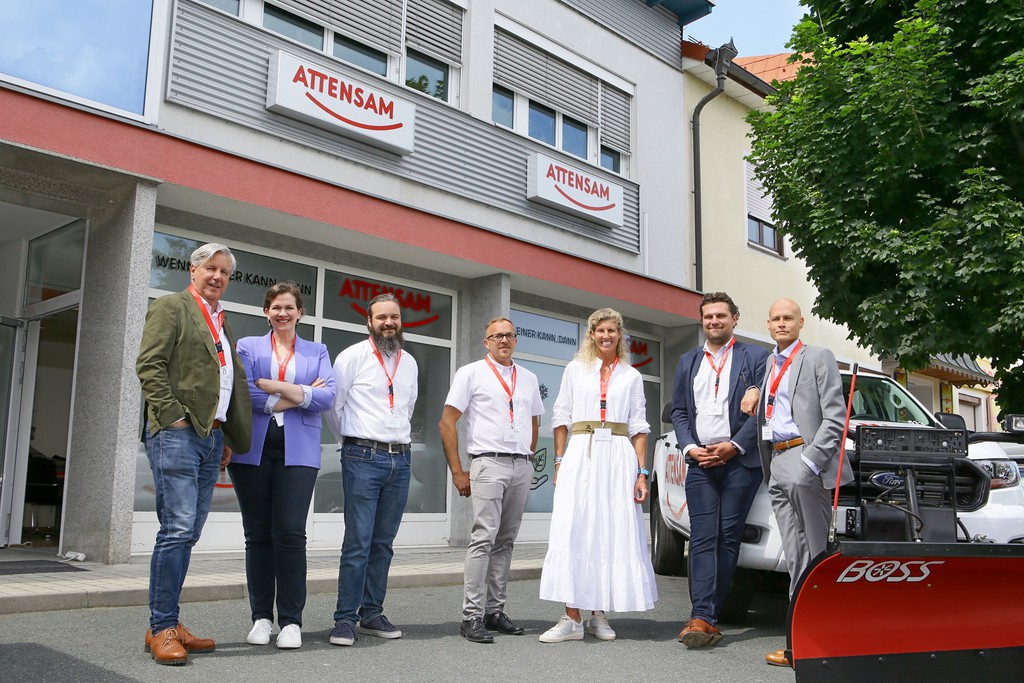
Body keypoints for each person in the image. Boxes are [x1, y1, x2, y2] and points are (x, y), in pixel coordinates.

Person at [136, 242, 252, 666]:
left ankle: (167, 622)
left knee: (189, 532)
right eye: (211, 268)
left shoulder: (221, 320)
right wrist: (173, 419)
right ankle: (162, 626)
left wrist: (220, 435)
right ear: (194, 269)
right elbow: (149, 364)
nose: (218, 276)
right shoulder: (172, 307)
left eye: (225, 272)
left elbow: (222, 381)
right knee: (177, 528)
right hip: (178, 434)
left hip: (209, 438)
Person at [740, 298, 850, 667]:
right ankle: (798, 645)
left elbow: (835, 417)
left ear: (801, 322)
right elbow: (774, 405)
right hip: (777, 460)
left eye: (789, 318)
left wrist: (810, 461)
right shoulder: (770, 363)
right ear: (768, 325)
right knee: (796, 557)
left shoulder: (818, 357)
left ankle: (822, 644)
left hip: (805, 460)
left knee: (816, 555)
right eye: (776, 319)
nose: (782, 323)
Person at [538, 308, 657, 643]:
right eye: (600, 331)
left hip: (618, 456)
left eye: (612, 331)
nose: (606, 336)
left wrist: (641, 473)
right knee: (575, 526)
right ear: (591, 334)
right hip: (581, 451)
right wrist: (559, 460)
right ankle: (571, 617)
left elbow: (639, 427)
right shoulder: (575, 370)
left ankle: (598, 614)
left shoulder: (631, 376)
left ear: (620, 335)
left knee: (610, 529)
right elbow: (560, 416)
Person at [229, 282, 336, 650]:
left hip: (299, 452)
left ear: (299, 312)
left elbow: (328, 396)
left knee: (290, 534)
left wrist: (273, 386)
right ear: (266, 312)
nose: (282, 314)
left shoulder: (317, 350)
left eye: (289, 307)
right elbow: (244, 391)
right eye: (276, 307)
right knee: (257, 535)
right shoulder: (247, 346)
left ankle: (291, 621)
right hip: (252, 451)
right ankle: (261, 618)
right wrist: (300, 394)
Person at [671, 292, 768, 648]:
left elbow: (764, 410)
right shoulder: (688, 360)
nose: (714, 321)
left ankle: (710, 614)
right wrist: (691, 447)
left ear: (734, 319)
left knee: (728, 538)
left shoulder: (757, 357)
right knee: (702, 537)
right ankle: (702, 616)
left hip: (740, 461)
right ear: (702, 321)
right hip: (700, 461)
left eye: (721, 316)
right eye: (708, 316)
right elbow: (680, 411)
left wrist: (735, 446)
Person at [439, 317, 544, 644]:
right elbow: (447, 422)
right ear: (486, 342)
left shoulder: (528, 378)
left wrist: (527, 456)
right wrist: (458, 471)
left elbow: (534, 422)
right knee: (484, 537)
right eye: (496, 336)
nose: (504, 340)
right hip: (487, 463)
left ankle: (494, 611)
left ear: (516, 341)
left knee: (506, 540)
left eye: (509, 336)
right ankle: (471, 616)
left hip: (520, 466)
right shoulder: (470, 373)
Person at [324, 293, 419, 647]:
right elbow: (334, 408)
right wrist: (351, 444)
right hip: (362, 456)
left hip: (401, 458)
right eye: (382, 317)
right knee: (358, 542)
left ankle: (372, 612)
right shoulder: (351, 357)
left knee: (383, 543)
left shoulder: (409, 361)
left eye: (394, 317)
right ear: (369, 321)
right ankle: (345, 619)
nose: (389, 323)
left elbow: (407, 406)